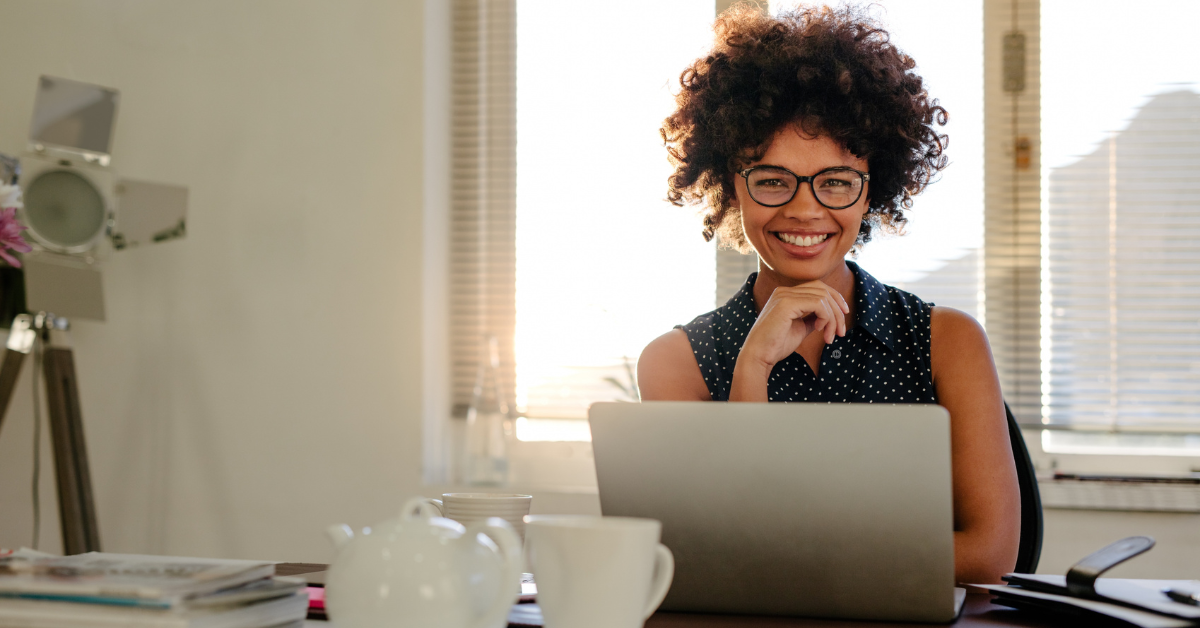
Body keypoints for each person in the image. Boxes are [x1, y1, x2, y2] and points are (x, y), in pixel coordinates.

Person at [637, 4, 1019, 585]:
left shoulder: (949, 342)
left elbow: (989, 553)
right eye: (772, 180)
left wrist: (793, 552)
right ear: (732, 187)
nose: (804, 209)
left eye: (836, 182)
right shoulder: (675, 362)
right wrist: (752, 368)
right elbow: (710, 546)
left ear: (872, 190)